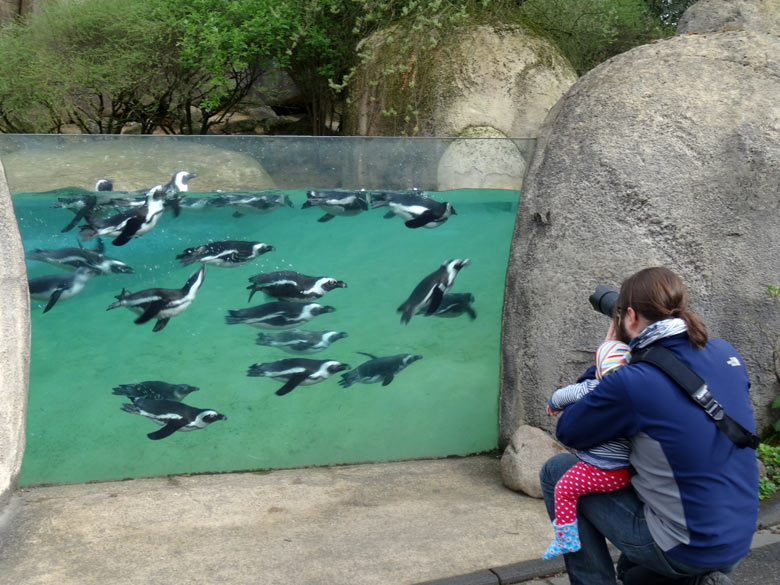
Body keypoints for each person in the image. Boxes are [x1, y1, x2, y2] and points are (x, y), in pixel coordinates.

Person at [540, 266, 759, 585]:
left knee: (557, 470)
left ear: (629, 317)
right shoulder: (726, 352)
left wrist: (609, 353)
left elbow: (570, 429)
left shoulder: (633, 382)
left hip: (685, 547)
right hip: (738, 538)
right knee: (633, 573)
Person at [542, 339, 632, 560]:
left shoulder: (593, 388)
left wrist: (553, 404)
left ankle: (566, 539)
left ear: (599, 371)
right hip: (627, 472)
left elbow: (563, 395)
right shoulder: (635, 394)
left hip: (601, 470)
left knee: (563, 490)